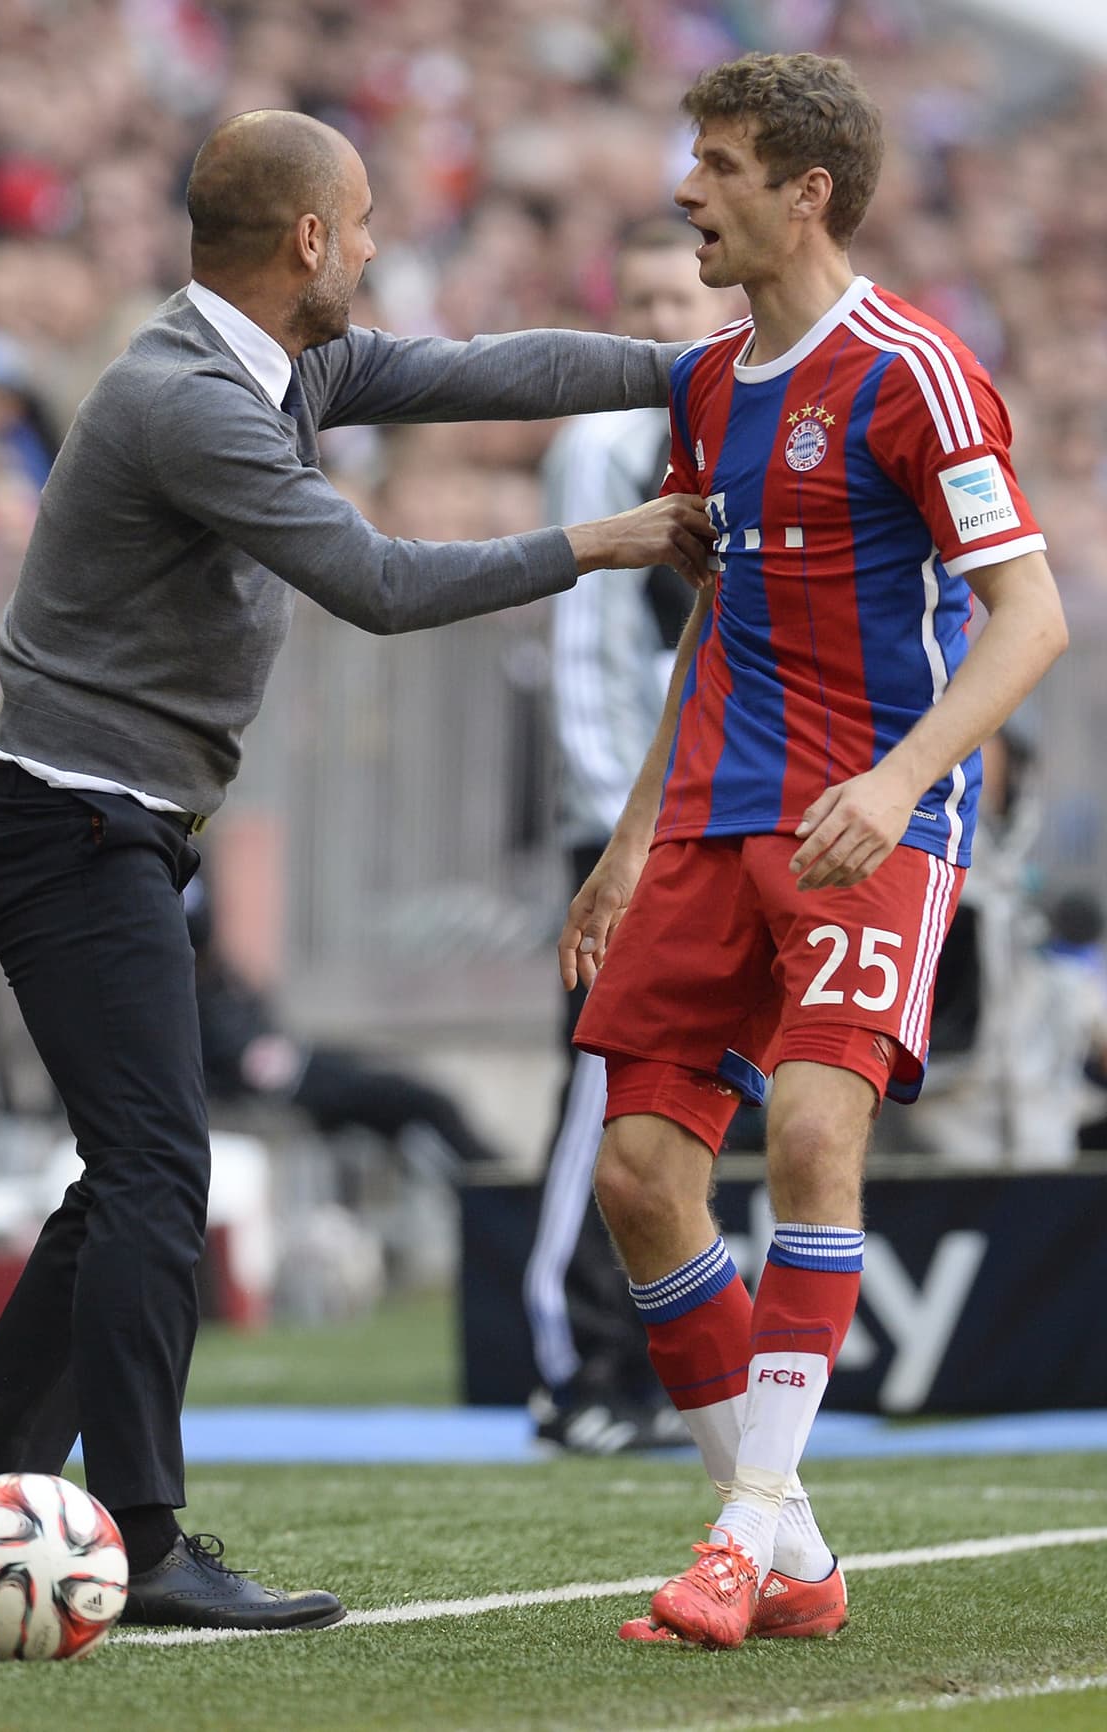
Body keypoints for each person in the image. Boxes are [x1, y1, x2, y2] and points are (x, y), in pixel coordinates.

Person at [0, 108, 715, 1634]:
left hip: (102, 825)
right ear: (308, 242)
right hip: (68, 828)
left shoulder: (280, 363)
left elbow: (487, 370)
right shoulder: (187, 401)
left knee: (132, 1169)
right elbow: (378, 581)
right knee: (159, 1173)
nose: (373, 247)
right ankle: (142, 1541)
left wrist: (690, 369)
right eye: (360, 224)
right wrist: (607, 538)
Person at [562, 52, 1067, 1649]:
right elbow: (713, 620)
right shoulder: (707, 387)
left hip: (871, 825)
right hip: (712, 814)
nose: (686, 192)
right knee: (640, 1179)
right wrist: (629, 838)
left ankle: (739, 1534)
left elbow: (1031, 617)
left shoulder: (917, 372)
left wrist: (904, 782)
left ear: (808, 193)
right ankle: (790, 1549)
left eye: (717, 166)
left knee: (809, 1138)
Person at [525, 220, 740, 1454]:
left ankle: (638, 1364)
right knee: (597, 1091)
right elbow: (584, 651)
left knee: (663, 1091)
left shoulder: (723, 422)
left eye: (680, 298)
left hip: (694, 815)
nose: (663, 321)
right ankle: (577, 1368)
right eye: (643, 302)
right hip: (626, 827)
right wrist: (622, 824)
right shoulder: (603, 442)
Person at [186, 873, 504, 1177]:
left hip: (308, 1067)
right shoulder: (192, 999)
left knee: (420, 1098)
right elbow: (225, 1070)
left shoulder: (220, 983)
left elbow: (265, 1032)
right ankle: (500, 1184)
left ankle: (499, 1178)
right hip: (301, 1091)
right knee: (425, 1103)